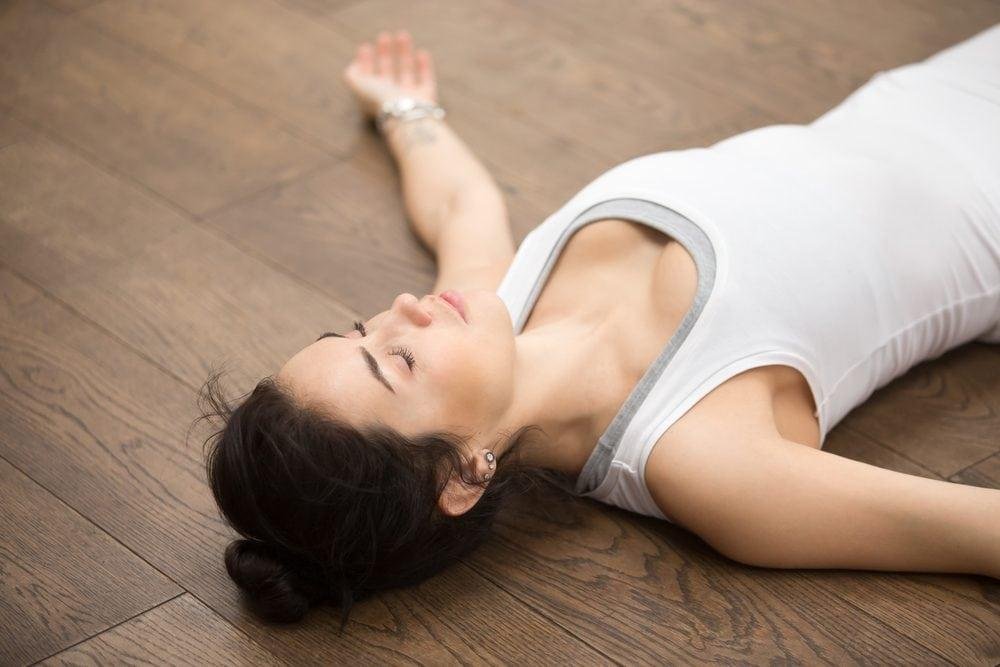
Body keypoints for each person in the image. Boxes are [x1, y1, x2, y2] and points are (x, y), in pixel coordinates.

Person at [196, 26, 1000, 630]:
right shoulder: (701, 461)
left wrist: (402, 106)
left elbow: (460, 202)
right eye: (396, 360)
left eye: (359, 327)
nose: (405, 308)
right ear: (462, 475)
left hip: (930, 90)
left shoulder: (490, 308)